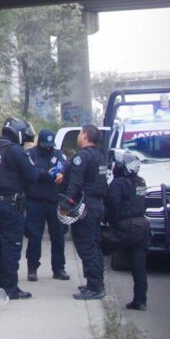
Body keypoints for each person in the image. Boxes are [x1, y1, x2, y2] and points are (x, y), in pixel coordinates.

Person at [0, 117, 53, 300]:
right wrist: (47, 174)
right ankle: (11, 288)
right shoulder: (16, 151)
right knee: (11, 246)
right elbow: (31, 175)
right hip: (10, 205)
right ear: (18, 134)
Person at [102, 150, 151, 311]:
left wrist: (110, 224)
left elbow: (112, 206)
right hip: (143, 226)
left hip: (126, 227)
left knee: (97, 247)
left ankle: (95, 286)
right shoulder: (141, 182)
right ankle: (140, 300)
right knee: (139, 267)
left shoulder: (118, 184)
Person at [65, 124, 109, 300]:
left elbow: (75, 183)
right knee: (94, 244)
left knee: (86, 245)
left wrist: (66, 202)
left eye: (80, 133)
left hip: (85, 206)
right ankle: (96, 283)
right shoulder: (100, 156)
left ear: (84, 135)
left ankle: (95, 287)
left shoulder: (82, 157)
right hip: (97, 205)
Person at [24, 129, 70, 281]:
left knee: (58, 236)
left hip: (54, 201)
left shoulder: (59, 154)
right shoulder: (30, 154)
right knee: (34, 236)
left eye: (50, 145)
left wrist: (61, 174)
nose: (48, 148)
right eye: (45, 145)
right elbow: (30, 172)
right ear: (39, 143)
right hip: (35, 201)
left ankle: (59, 269)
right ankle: (32, 268)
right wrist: (48, 173)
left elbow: (65, 168)